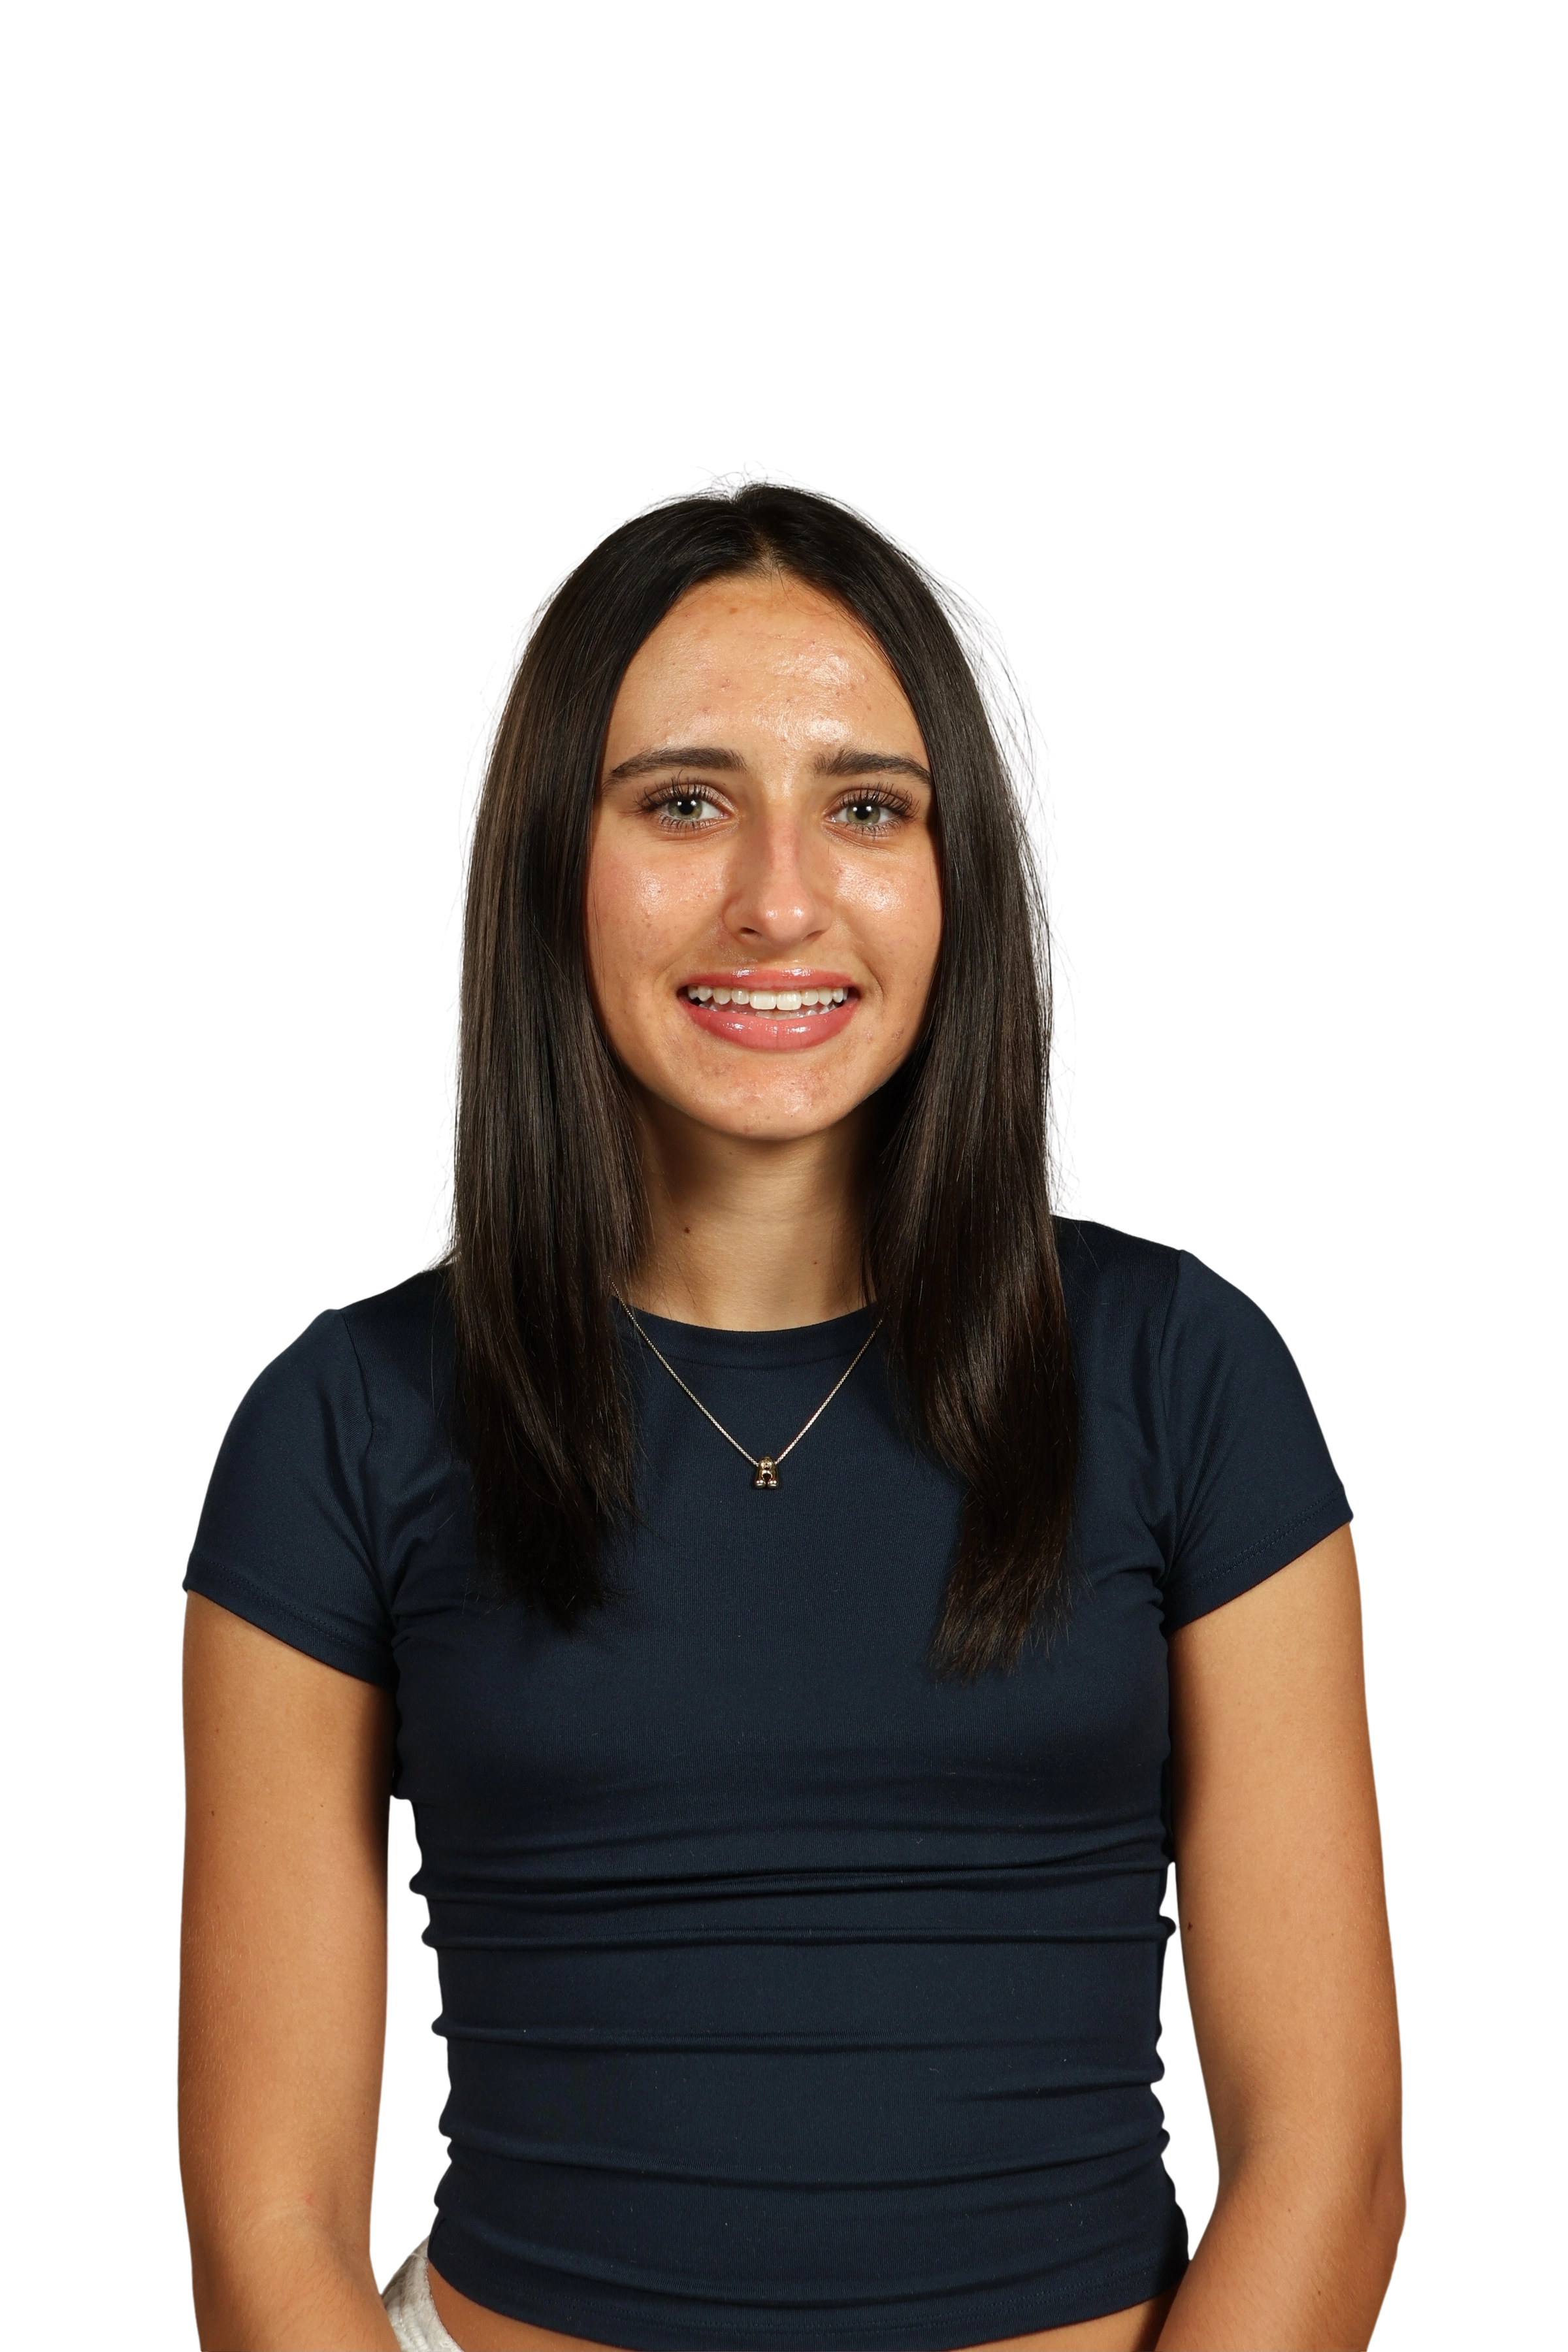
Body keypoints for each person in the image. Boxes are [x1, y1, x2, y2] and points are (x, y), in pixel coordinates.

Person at [176, 462, 1407, 2352]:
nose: (777, 901)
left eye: (867, 807)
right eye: (684, 802)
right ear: (548, 862)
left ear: (968, 867)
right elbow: (268, 2226)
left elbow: (1331, 2158)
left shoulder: (1183, 1369)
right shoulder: (344, 1422)